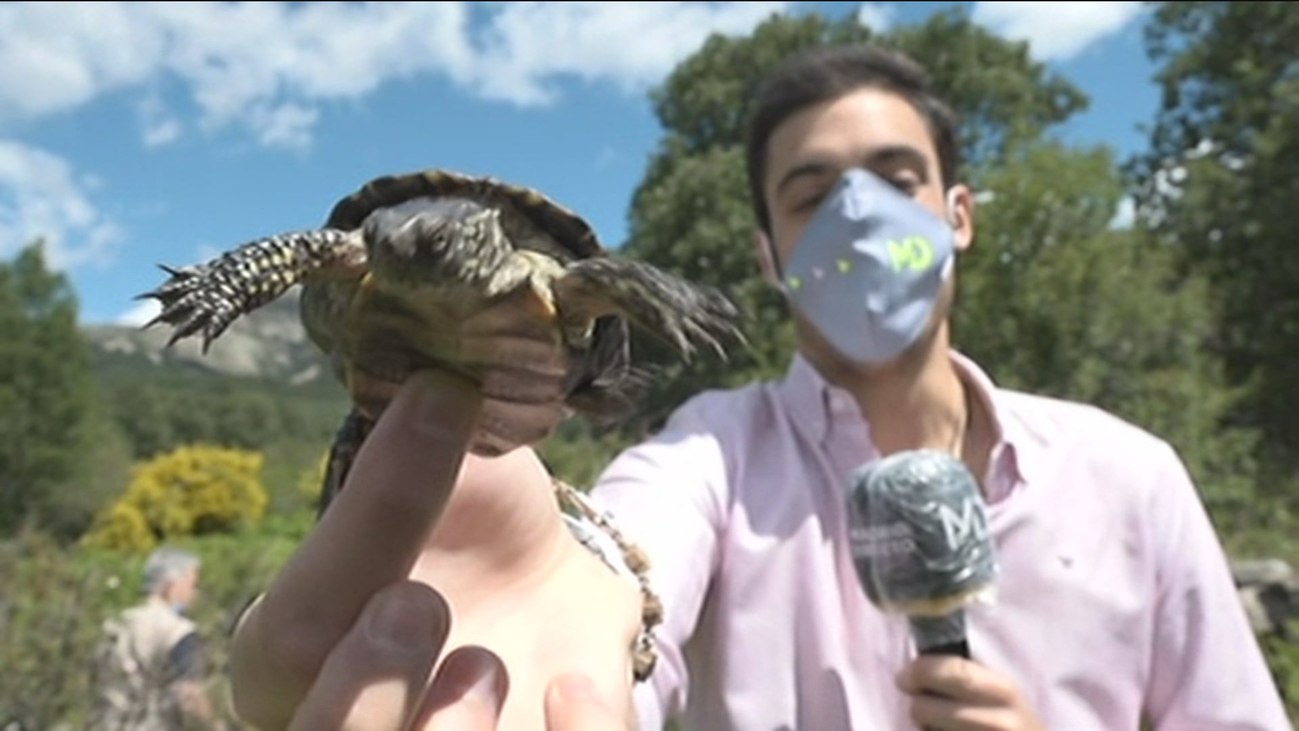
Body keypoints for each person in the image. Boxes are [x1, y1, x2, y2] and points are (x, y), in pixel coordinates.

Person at [226, 43, 1291, 730]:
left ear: (958, 213)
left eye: (897, 178)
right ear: (772, 250)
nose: (861, 218)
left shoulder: (1132, 477)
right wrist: (586, 600)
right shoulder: (712, 456)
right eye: (814, 193)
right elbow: (626, 556)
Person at [92, 546, 227, 730]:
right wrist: (214, 725)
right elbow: (188, 695)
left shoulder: (117, 624)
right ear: (172, 584)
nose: (193, 594)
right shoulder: (177, 630)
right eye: (191, 584)